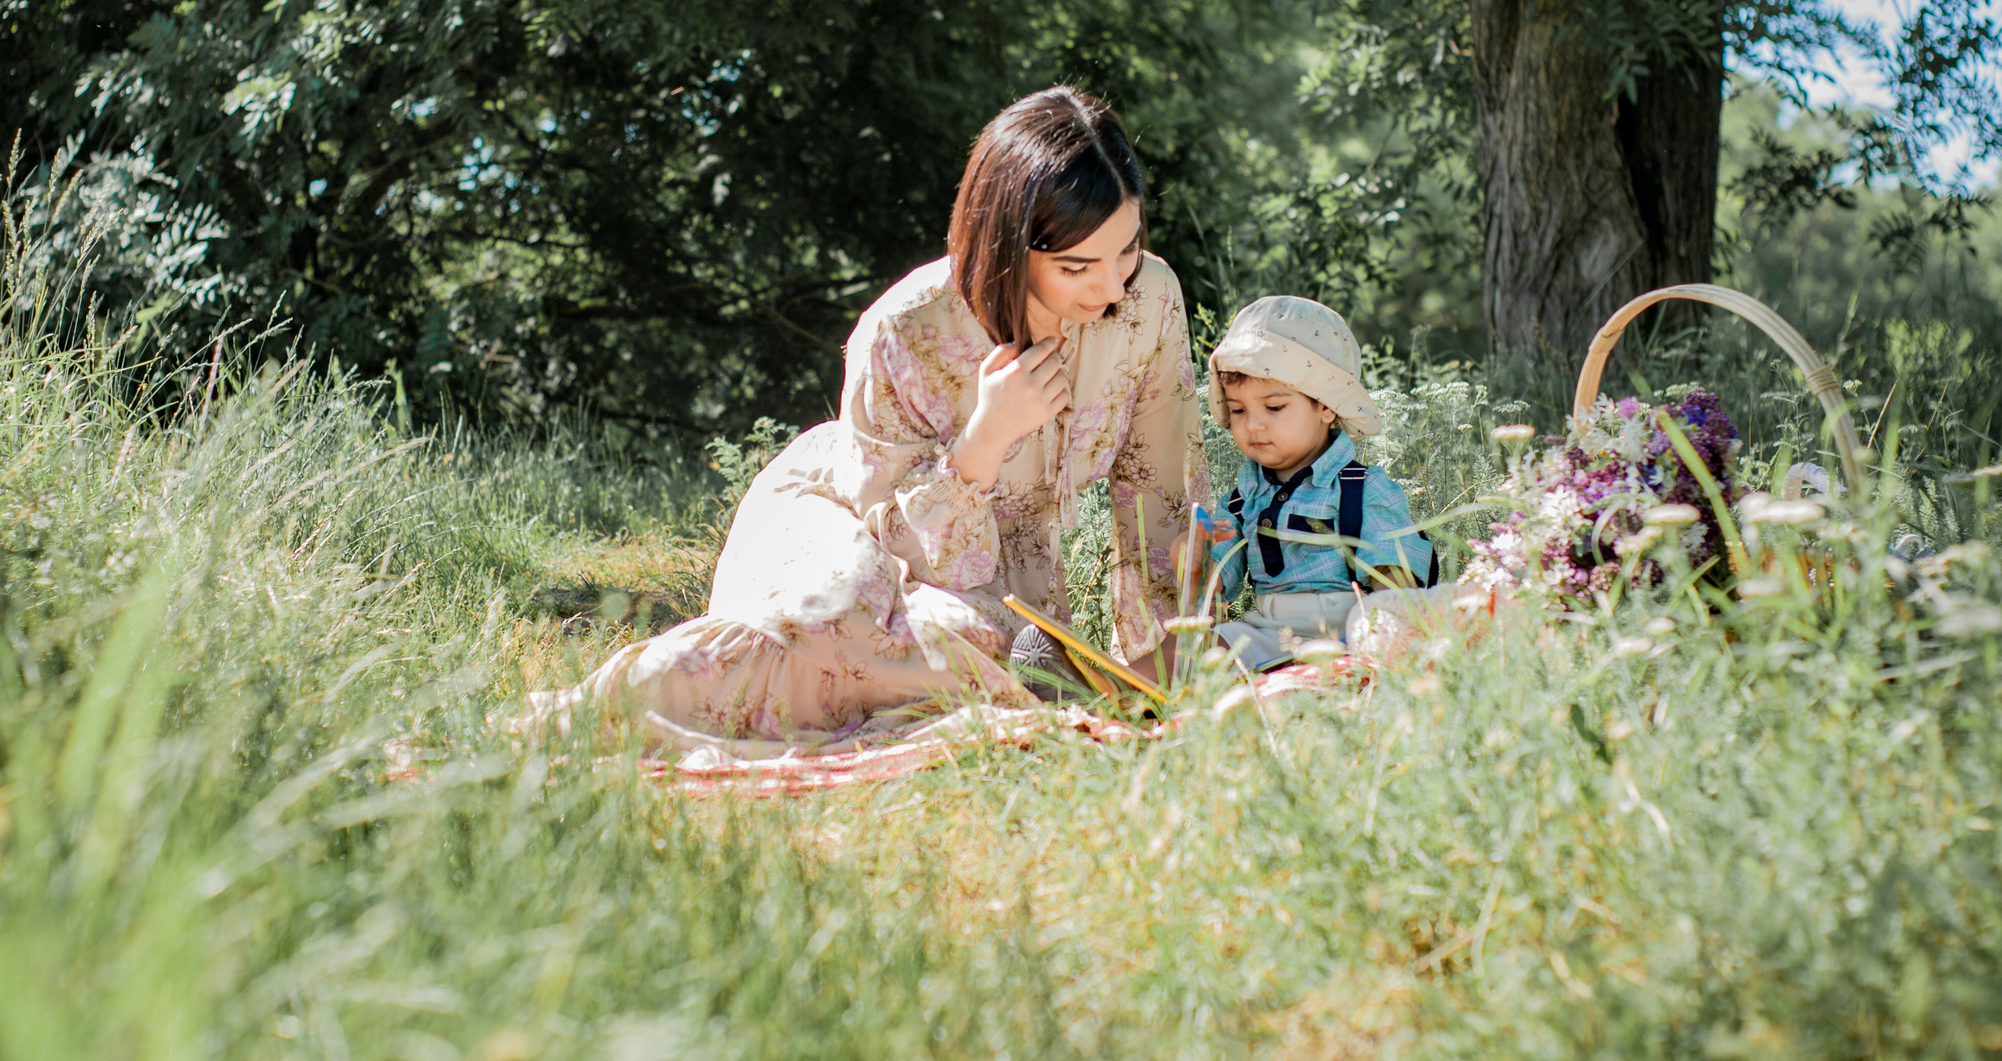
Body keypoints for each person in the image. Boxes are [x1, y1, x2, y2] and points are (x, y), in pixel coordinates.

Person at [522, 87, 1211, 755]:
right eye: (1076, 265)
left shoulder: (1149, 300)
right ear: (1006, 245)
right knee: (837, 621)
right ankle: (590, 718)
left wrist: (1161, 665)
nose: (1111, 285)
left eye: (1126, 249)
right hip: (844, 518)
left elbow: (1164, 494)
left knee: (978, 658)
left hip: (993, 600)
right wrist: (985, 440)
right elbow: (901, 553)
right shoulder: (905, 329)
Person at [1198, 295, 1460, 669]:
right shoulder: (1242, 500)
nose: (1253, 424)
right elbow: (1216, 580)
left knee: (1366, 648)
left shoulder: (1361, 488)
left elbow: (1392, 574)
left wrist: (1392, 631)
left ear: (1326, 406)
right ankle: (1117, 689)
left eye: (1274, 407)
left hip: (1346, 634)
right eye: (1239, 409)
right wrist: (1196, 563)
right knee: (1198, 647)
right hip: (1268, 630)